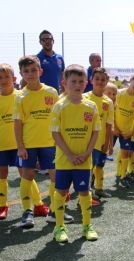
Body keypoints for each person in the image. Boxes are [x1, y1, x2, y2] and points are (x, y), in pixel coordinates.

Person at [14, 55, 71, 228]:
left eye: (33, 70)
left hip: (49, 142)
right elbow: (17, 123)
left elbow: (57, 118)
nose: (30, 74)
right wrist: (20, 146)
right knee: (27, 176)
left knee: (56, 176)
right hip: (28, 143)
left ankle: (55, 210)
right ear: (21, 73)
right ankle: (27, 212)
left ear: (40, 71)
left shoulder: (51, 92)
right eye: (26, 71)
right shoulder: (20, 97)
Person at [50, 64, 100, 243]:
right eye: (73, 81)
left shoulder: (91, 106)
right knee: (61, 191)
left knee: (85, 192)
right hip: (65, 159)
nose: (77, 85)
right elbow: (55, 133)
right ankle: (59, 226)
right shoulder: (59, 106)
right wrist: (70, 155)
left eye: (81, 81)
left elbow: (95, 131)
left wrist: (88, 152)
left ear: (86, 83)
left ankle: (87, 226)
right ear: (64, 83)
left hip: (84, 160)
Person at [83, 67, 114, 198]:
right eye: (97, 79)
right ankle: (86, 191)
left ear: (106, 82)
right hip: (87, 141)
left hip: (101, 140)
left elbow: (108, 124)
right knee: (88, 166)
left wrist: (107, 142)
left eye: (103, 80)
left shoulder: (108, 102)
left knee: (99, 165)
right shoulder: (85, 98)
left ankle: (99, 189)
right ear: (91, 80)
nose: (100, 82)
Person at [114, 73, 134, 187]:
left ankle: (122, 177)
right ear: (130, 80)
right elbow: (111, 110)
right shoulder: (119, 93)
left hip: (127, 131)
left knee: (126, 153)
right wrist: (115, 127)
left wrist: (132, 132)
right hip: (114, 129)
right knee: (103, 152)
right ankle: (94, 180)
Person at [0, 64, 20, 219]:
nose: (3, 80)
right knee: (2, 173)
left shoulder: (21, 97)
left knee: (26, 174)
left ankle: (38, 204)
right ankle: (2, 205)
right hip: (2, 144)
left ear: (14, 79)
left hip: (20, 145)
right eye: (0, 77)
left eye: (7, 77)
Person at [36, 30, 65, 94]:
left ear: (53, 41)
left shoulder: (60, 58)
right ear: (40, 42)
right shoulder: (36, 59)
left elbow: (62, 78)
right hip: (41, 96)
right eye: (44, 40)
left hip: (56, 95)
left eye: (49, 39)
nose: (47, 42)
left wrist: (66, 93)